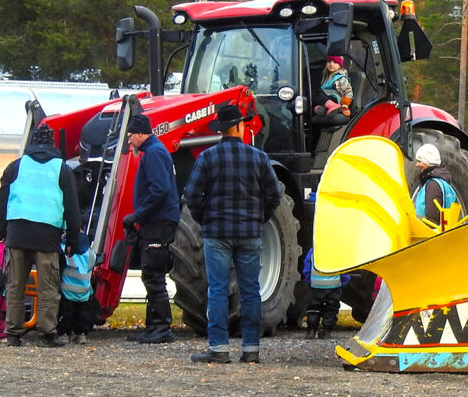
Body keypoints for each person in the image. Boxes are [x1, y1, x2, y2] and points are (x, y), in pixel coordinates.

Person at [183, 102, 282, 364]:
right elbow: (275, 195)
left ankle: (218, 348)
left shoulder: (207, 157)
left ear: (220, 130)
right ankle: (251, 349)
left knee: (217, 289)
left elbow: (192, 195)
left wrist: (205, 219)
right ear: (239, 127)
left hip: (217, 234)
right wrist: (259, 219)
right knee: (250, 291)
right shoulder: (259, 158)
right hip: (250, 233)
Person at [0, 123, 81, 348]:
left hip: (17, 235)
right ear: (52, 143)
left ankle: (13, 333)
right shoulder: (61, 169)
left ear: (32, 142)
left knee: (15, 285)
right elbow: (72, 207)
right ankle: (48, 333)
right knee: (48, 288)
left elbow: (1, 200)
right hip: (47, 238)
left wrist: (1, 231)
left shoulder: (16, 166)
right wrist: (72, 240)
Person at [122, 113, 180, 344]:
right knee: (150, 273)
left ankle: (162, 328)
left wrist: (138, 215)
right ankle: (152, 326)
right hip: (155, 221)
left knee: (154, 274)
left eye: (130, 136)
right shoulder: (154, 151)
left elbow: (160, 190)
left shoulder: (154, 153)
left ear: (139, 133)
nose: (128, 141)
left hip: (158, 222)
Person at [58, 233, 96, 344]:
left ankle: (64, 334)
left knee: (66, 313)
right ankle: (81, 335)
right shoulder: (91, 254)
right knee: (83, 314)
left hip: (67, 290)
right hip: (84, 291)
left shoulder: (64, 250)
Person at [412, 143, 458, 228]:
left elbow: (432, 218)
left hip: (427, 234)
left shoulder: (432, 185)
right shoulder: (445, 184)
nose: (416, 165)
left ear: (428, 161)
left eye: (419, 161)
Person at [303, 248, 341, 339]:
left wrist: (309, 281)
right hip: (334, 285)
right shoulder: (339, 251)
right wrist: (342, 283)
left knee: (314, 308)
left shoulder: (314, 250)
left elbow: (307, 266)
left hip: (316, 284)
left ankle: (311, 331)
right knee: (331, 309)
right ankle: (326, 332)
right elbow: (344, 271)